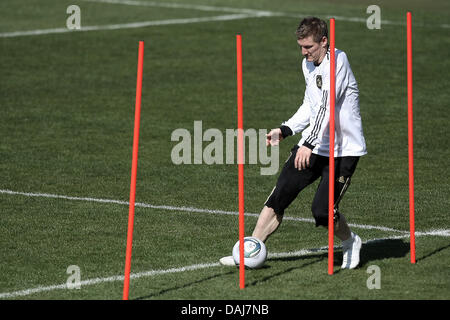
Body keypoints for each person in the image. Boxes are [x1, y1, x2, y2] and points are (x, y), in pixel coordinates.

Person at [220, 17, 367, 269]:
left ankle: (350, 240)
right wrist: (285, 129)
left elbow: (327, 107)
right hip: (314, 145)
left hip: (342, 150)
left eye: (308, 47)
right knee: (279, 195)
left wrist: (307, 143)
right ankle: (250, 250)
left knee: (322, 212)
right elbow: (310, 105)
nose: (303, 52)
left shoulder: (338, 62)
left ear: (324, 41)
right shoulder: (308, 64)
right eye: (300, 46)